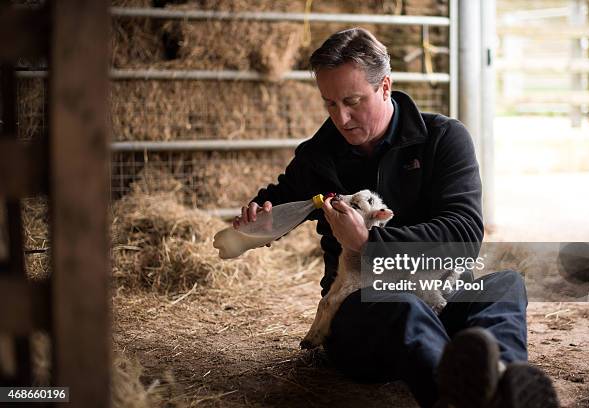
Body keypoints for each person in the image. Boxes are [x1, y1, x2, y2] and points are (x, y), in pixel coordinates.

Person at [234, 27, 559, 408]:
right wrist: (255, 226)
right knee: (399, 304)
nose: (341, 117)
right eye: (329, 103)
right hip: (362, 308)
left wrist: (371, 244)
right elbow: (278, 203)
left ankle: (502, 381)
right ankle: (461, 395)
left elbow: (464, 234)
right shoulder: (318, 156)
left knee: (504, 285)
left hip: (442, 294)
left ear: (385, 87)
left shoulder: (443, 138)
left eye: (352, 101)